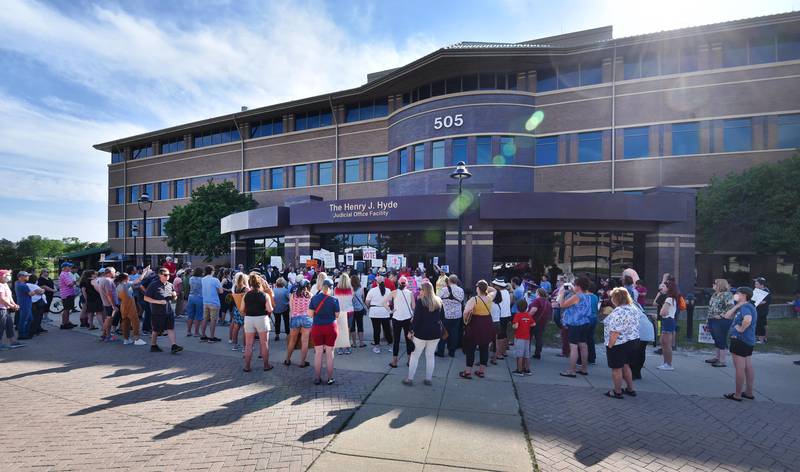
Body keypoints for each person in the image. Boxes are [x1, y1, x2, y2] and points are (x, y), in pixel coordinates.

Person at [603, 287, 640, 398]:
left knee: (616, 368)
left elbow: (615, 331)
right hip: (633, 341)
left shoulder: (619, 312)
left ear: (616, 299)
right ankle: (630, 388)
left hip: (619, 343)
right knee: (625, 365)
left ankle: (617, 391)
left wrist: (610, 345)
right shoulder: (633, 308)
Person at [403, 281, 443, 386]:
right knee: (430, 356)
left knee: (415, 355)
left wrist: (411, 331)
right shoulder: (439, 301)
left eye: (420, 289)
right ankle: (428, 379)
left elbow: (416, 320)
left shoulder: (421, 302)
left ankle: (410, 379)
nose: (419, 291)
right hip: (435, 333)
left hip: (421, 333)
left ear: (424, 290)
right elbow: (441, 317)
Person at [724, 287, 758, 401]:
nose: (735, 295)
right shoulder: (743, 306)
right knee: (748, 366)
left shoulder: (746, 307)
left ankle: (737, 394)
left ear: (744, 295)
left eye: (737, 294)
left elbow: (747, 320)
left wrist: (741, 329)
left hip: (740, 340)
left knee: (740, 368)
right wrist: (737, 305)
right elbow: (727, 315)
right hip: (747, 341)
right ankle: (748, 392)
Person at [459, 280, 497, 379]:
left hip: (475, 324)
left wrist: (465, 321)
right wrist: (486, 286)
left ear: (478, 289)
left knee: (470, 348)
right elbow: (494, 290)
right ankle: (481, 371)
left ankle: (468, 372)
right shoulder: (490, 297)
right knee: (484, 348)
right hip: (487, 323)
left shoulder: (474, 299)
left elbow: (466, 312)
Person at [557, 277, 593, 377]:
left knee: (573, 347)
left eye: (575, 284)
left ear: (578, 286)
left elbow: (562, 305)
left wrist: (562, 294)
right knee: (583, 346)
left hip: (575, 324)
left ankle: (571, 371)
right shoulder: (588, 296)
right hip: (585, 322)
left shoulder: (577, 296)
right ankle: (584, 369)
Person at [308, 278, 340, 385]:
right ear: (332, 288)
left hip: (317, 327)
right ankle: (330, 378)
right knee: (330, 353)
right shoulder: (334, 300)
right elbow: (337, 315)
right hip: (331, 327)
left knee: (318, 353)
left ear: (321, 286)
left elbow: (310, 314)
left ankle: (317, 378)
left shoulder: (314, 299)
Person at [144, 268, 182, 354]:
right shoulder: (153, 285)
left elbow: (174, 298)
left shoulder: (170, 285)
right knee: (156, 330)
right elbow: (146, 298)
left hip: (169, 311)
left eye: (169, 275)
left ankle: (174, 346)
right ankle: (153, 345)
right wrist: (158, 301)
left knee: (170, 328)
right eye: (165, 275)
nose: (168, 276)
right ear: (160, 275)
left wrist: (175, 296)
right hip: (157, 312)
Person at [241, 273, 273, 372]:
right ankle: (266, 365)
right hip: (262, 318)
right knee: (264, 343)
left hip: (249, 318)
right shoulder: (265, 295)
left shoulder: (246, 295)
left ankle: (247, 366)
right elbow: (270, 309)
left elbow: (242, 309)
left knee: (248, 344)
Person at [705, 279, 735, 367]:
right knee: (716, 339)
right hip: (712, 319)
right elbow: (710, 308)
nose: (713, 285)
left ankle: (722, 360)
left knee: (721, 339)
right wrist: (707, 320)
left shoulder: (727, 295)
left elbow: (731, 307)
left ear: (720, 285)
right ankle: (717, 357)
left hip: (722, 320)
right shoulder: (714, 294)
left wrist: (721, 315)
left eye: (714, 283)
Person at [388, 276, 414, 368]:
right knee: (409, 340)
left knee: (396, 341)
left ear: (398, 283)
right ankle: (409, 361)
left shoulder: (394, 292)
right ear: (407, 284)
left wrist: (391, 310)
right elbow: (414, 307)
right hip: (408, 318)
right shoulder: (410, 293)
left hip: (396, 318)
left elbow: (385, 302)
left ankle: (394, 362)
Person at [285, 279, 312, 367]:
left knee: (292, 341)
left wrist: (292, 318)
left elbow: (291, 309)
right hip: (306, 318)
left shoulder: (293, 295)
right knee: (305, 342)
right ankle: (302, 362)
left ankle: (288, 360)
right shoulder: (310, 296)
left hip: (295, 318)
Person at [436, 274, 464, 357]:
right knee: (454, 333)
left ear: (449, 281)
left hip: (446, 314)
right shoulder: (460, 290)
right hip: (457, 315)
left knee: (443, 333)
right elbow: (462, 300)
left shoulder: (444, 289)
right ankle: (452, 352)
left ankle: (441, 352)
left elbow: (437, 298)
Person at [116, 272, 146, 346]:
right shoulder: (126, 284)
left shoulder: (118, 286)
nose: (129, 277)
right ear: (125, 278)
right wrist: (145, 272)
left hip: (123, 306)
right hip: (130, 305)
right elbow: (139, 280)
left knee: (125, 322)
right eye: (128, 277)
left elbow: (119, 298)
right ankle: (137, 339)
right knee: (135, 321)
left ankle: (126, 339)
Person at [366, 275, 392, 353]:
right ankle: (391, 345)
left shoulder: (372, 290)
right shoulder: (388, 290)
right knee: (387, 329)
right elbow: (390, 302)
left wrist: (369, 307)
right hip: (384, 311)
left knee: (376, 330)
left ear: (376, 282)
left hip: (374, 311)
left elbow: (367, 302)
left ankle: (377, 347)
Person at [657, 281, 679, 371]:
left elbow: (663, 312)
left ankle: (668, 364)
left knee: (666, 344)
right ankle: (666, 362)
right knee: (664, 343)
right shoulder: (671, 298)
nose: (663, 288)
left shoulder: (669, 299)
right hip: (668, 320)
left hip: (668, 320)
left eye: (665, 286)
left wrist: (661, 311)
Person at [0, 269, 23, 349]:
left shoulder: (5, 284)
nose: (8, 277)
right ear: (1, 276)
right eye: (6, 275)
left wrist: (14, 304)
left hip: (6, 309)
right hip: (1, 309)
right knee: (1, 326)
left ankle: (13, 341)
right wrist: (11, 305)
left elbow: (9, 296)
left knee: (9, 325)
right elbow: (1, 299)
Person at [93, 267, 118, 342]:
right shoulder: (108, 280)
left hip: (106, 303)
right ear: (110, 272)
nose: (115, 273)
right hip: (109, 304)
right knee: (109, 320)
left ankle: (104, 335)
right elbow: (109, 294)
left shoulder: (102, 279)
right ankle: (107, 335)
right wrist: (113, 305)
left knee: (108, 319)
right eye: (114, 272)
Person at [200, 266, 223, 342]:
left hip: (205, 301)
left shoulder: (202, 279)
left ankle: (203, 335)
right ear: (212, 271)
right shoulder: (215, 280)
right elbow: (221, 291)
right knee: (213, 320)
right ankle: (212, 337)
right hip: (214, 302)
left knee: (205, 318)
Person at [631, 306, 654, 380]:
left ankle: (633, 373)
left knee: (635, 352)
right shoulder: (636, 304)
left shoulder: (627, 306)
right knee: (641, 351)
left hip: (640, 330)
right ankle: (637, 372)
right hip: (646, 328)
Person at [528, 288, 552, 359]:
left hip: (534, 321)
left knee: (529, 337)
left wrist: (526, 317)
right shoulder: (547, 302)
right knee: (539, 338)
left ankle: (526, 352)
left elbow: (533, 310)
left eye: (536, 292)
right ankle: (538, 353)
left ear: (538, 293)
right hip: (542, 322)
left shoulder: (537, 300)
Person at [511, 300, 534, 376]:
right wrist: (526, 325)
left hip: (519, 337)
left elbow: (516, 326)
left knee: (519, 354)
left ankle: (519, 370)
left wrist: (513, 326)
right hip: (527, 337)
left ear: (518, 307)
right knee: (526, 354)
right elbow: (533, 324)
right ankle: (527, 369)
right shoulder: (528, 315)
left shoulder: (517, 315)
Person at [492, 279, 512, 362]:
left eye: (494, 285)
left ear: (497, 286)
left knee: (499, 335)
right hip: (507, 314)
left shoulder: (498, 293)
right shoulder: (507, 292)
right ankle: (503, 351)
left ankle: (498, 354)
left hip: (501, 315)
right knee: (504, 334)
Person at [333, 275, 353, 355]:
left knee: (340, 330)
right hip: (349, 311)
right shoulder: (351, 289)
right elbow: (352, 298)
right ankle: (347, 347)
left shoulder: (335, 289)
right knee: (347, 330)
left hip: (339, 311)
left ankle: (340, 348)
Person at [229, 272, 248, 351]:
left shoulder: (236, 287)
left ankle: (235, 345)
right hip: (244, 309)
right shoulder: (246, 289)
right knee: (245, 328)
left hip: (237, 309)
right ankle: (244, 347)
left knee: (236, 327)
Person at [14, 271, 36, 340]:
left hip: (22, 303)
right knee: (23, 320)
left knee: (29, 319)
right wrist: (36, 291)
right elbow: (31, 294)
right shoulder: (23, 285)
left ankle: (26, 333)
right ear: (21, 277)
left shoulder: (17, 283)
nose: (28, 277)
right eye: (26, 276)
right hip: (25, 304)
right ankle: (22, 335)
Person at [57, 262, 77, 329]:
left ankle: (67, 322)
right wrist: (75, 281)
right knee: (66, 309)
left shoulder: (67, 274)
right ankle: (63, 324)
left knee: (68, 309)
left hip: (69, 294)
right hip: (67, 294)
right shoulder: (64, 274)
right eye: (69, 266)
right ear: (64, 267)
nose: (70, 268)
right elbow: (70, 284)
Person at [349, 274, 367, 348]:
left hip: (352, 309)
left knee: (352, 326)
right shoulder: (361, 288)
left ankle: (354, 343)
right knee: (360, 325)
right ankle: (361, 342)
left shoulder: (349, 289)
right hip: (360, 309)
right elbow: (363, 298)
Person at [185, 267, 204, 337]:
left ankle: (189, 331)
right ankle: (196, 332)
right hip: (199, 297)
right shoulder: (202, 279)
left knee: (190, 316)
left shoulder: (191, 278)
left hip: (191, 297)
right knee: (198, 316)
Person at [753, 277, 770, 344]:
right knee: (763, 324)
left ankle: (762, 339)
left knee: (760, 325)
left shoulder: (766, 291)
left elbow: (763, 302)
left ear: (762, 285)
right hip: (758, 310)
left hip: (762, 311)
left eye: (757, 284)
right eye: (755, 284)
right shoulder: (758, 291)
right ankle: (763, 338)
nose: (755, 286)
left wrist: (754, 303)